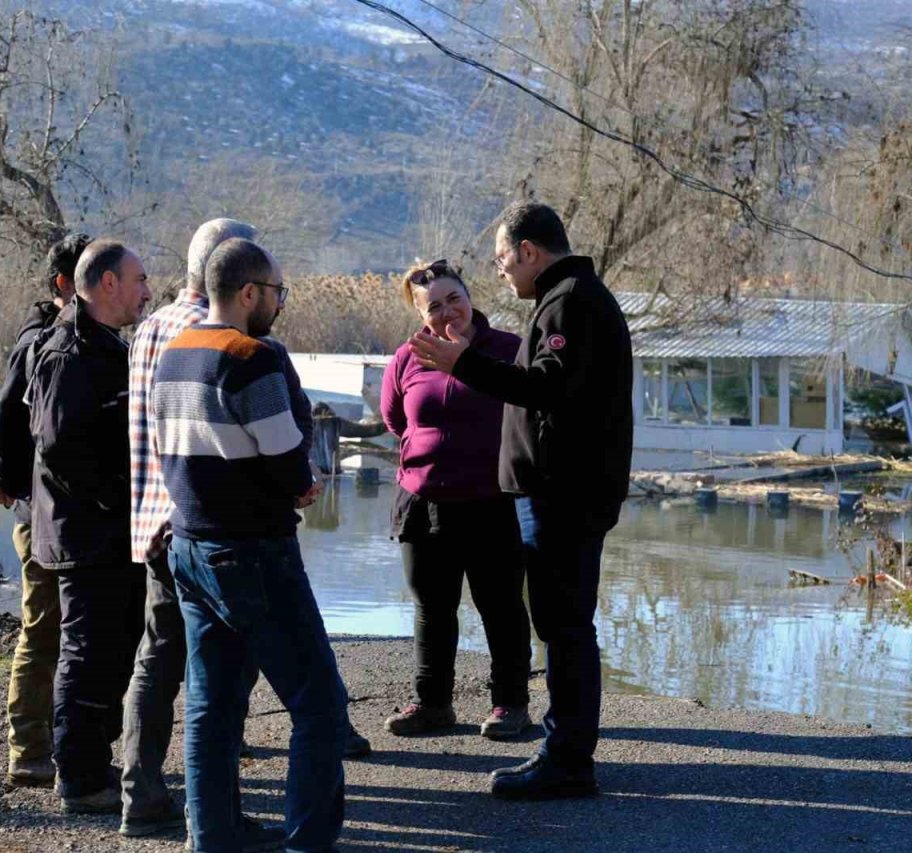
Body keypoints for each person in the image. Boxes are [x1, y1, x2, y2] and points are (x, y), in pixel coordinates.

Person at [120, 219, 369, 841]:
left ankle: (212, 838)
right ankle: (308, 843)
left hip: (189, 547)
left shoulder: (172, 353)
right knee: (319, 706)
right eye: (279, 292)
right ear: (250, 292)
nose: (282, 303)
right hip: (254, 552)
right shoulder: (251, 358)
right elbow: (288, 457)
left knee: (211, 710)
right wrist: (302, 482)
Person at [409, 201, 633, 800]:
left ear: (529, 250)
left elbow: (548, 388)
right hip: (563, 492)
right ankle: (566, 753)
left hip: (564, 495)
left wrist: (465, 364)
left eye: (503, 257)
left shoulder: (569, 302)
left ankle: (566, 760)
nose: (501, 270)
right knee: (562, 624)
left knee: (564, 626)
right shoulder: (568, 297)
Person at [380, 259, 533, 740]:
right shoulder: (406, 358)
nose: (447, 312)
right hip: (424, 502)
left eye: (454, 299)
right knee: (432, 608)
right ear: (420, 314)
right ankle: (432, 705)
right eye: (434, 306)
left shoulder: (508, 350)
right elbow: (395, 421)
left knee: (501, 607)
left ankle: (510, 704)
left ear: (470, 298)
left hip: (493, 502)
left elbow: (529, 412)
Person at [27, 238, 153, 812]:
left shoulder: (108, 345)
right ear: (107, 284)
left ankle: (93, 761)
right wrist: (112, 500)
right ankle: (78, 778)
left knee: (115, 647)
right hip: (86, 534)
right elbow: (59, 448)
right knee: (87, 653)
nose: (146, 291)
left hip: (111, 532)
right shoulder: (68, 353)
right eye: (139, 279)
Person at [0, 231, 90, 787]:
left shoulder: (78, 335)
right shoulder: (41, 341)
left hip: (62, 511)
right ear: (64, 284)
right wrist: (5, 480)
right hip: (40, 511)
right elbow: (5, 418)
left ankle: (52, 740)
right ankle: (27, 748)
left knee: (63, 629)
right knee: (43, 628)